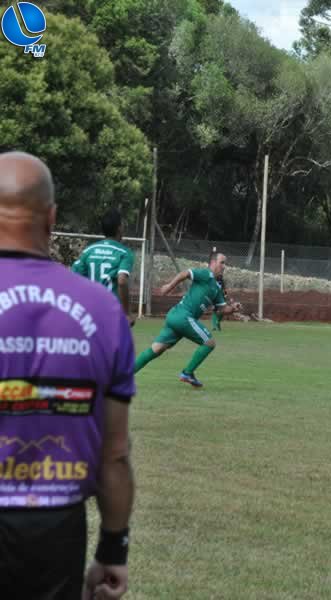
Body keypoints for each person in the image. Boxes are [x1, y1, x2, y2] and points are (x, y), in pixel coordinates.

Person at [0, 151, 135, 599]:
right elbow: (114, 454)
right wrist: (113, 548)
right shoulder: (103, 312)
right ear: (52, 218)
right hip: (57, 528)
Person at [133, 252, 242, 387]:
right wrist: (169, 286)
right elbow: (185, 273)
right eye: (222, 262)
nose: (224, 266)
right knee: (209, 343)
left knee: (157, 349)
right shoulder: (205, 274)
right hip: (183, 316)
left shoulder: (216, 288)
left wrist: (233, 308)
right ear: (213, 263)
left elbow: (223, 309)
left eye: (225, 263)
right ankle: (187, 373)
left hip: (175, 316)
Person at [72, 207, 136, 326]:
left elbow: (73, 278)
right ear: (119, 228)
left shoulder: (89, 251)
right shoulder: (124, 253)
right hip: (110, 312)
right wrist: (126, 313)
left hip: (89, 313)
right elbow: (122, 281)